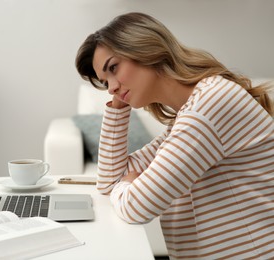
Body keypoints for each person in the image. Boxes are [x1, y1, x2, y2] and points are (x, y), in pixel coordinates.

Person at [75, 12, 274, 259]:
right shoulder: (187, 117)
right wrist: (118, 107)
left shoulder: (208, 108)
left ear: (146, 48)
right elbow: (108, 181)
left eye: (114, 68)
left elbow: (137, 206)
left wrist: (128, 184)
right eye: (106, 82)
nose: (112, 87)